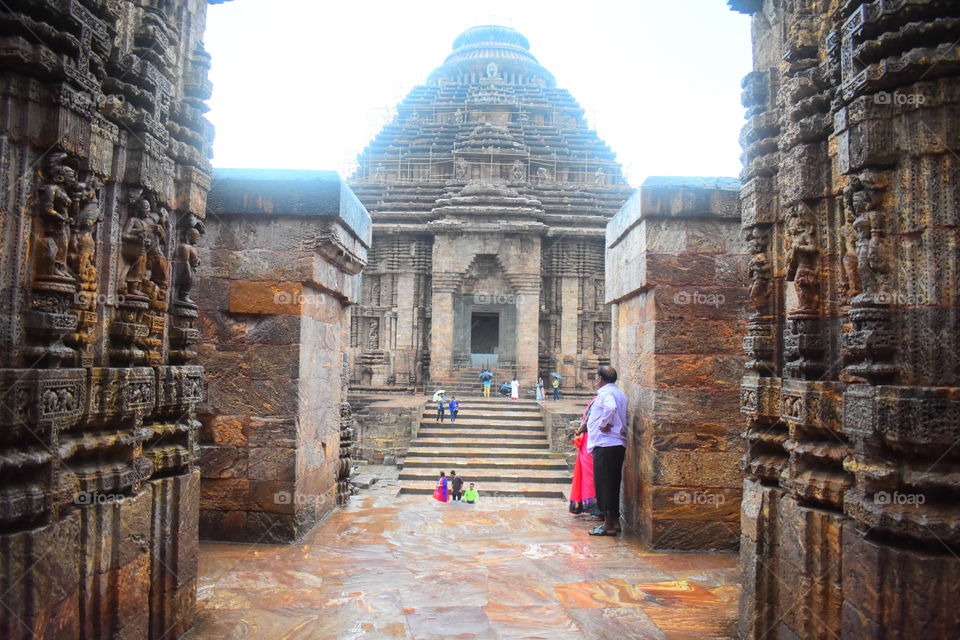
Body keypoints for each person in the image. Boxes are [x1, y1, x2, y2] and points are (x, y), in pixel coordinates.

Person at [586, 365, 627, 536]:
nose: (596, 381)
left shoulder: (606, 394)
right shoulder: (620, 394)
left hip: (605, 444)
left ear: (601, 379)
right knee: (613, 483)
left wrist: (603, 424)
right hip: (617, 444)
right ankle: (615, 522)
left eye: (596, 378)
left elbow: (611, 408)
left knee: (605, 485)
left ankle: (608, 525)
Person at [570, 397, 601, 516]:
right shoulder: (600, 399)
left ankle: (594, 507)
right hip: (592, 440)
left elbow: (587, 422)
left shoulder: (598, 400)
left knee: (589, 475)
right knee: (589, 474)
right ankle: (593, 506)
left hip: (590, 440)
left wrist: (578, 431)